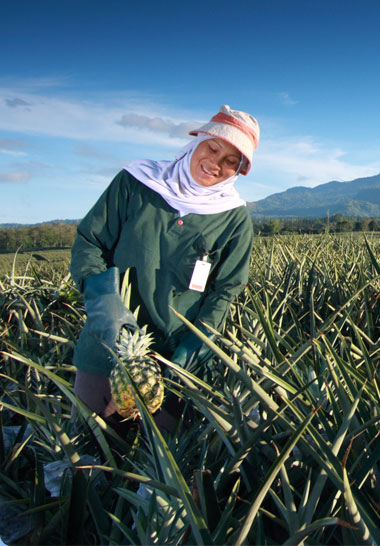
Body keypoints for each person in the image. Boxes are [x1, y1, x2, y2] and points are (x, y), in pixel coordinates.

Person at [70, 105, 259, 436]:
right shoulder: (136, 182)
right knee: (89, 451)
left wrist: (196, 347)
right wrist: (105, 305)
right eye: (213, 148)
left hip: (173, 352)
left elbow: (226, 289)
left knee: (159, 462)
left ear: (239, 170)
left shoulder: (234, 217)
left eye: (231, 161)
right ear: (196, 142)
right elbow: (90, 242)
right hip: (106, 342)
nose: (216, 163)